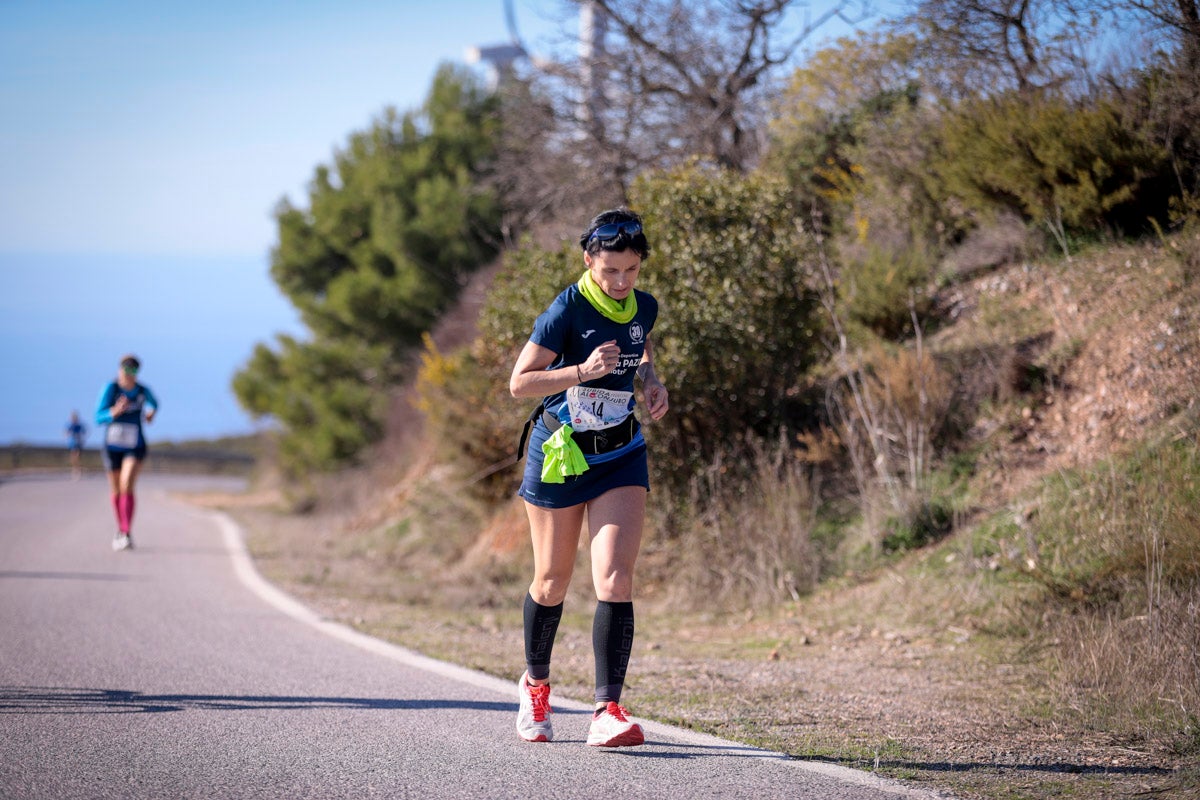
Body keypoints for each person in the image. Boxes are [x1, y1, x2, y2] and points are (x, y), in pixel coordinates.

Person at [508, 208, 670, 748]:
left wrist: (650, 380)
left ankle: (607, 710)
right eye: (610, 271)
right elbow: (520, 383)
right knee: (552, 582)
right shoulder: (567, 309)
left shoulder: (643, 306)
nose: (620, 282)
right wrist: (581, 372)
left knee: (615, 580)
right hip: (561, 455)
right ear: (588, 261)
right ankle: (536, 687)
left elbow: (640, 344)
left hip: (621, 453)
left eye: (630, 270)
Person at [94, 354, 158, 551]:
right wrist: (113, 412)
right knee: (116, 489)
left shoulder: (142, 390)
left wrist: (150, 412)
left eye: (134, 370)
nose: (129, 373)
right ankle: (120, 529)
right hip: (112, 446)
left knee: (127, 483)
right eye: (126, 369)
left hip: (134, 445)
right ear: (119, 369)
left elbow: (155, 403)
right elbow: (98, 417)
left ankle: (126, 531)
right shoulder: (111, 389)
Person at [64, 411, 87, 480]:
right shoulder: (70, 425)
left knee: (77, 456)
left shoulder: (79, 425)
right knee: (73, 457)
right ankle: (75, 469)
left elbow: (84, 432)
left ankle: (77, 470)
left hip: (78, 443)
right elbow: (65, 432)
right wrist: (68, 436)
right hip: (72, 443)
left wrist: (82, 438)